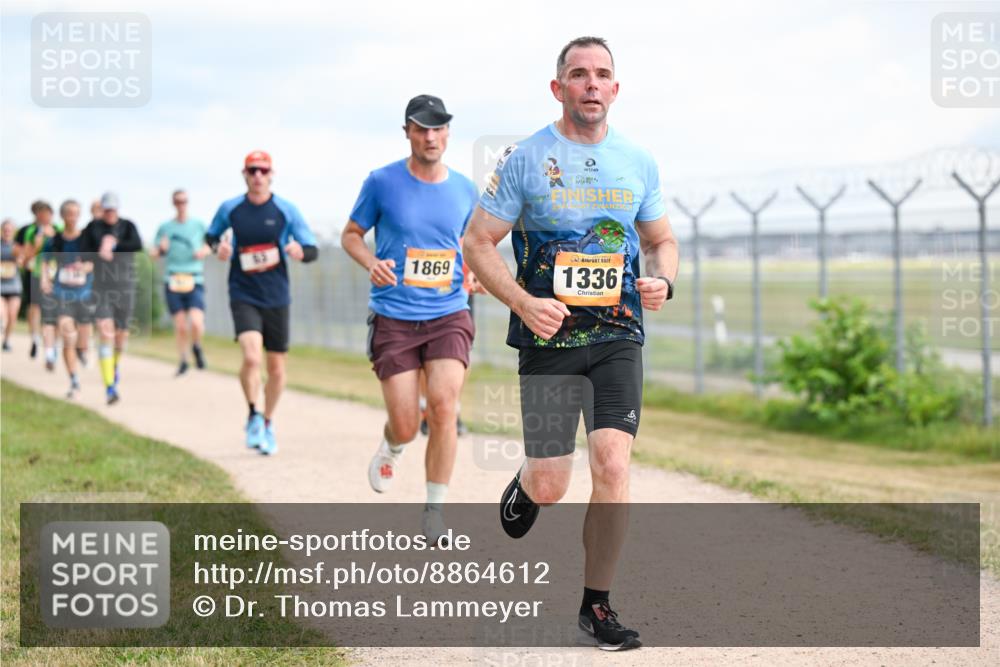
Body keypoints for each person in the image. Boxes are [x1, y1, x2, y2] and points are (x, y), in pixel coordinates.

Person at [463, 37, 679, 651]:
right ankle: (529, 481)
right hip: (549, 338)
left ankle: (597, 606)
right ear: (558, 88)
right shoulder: (526, 159)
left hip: (617, 335)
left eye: (602, 74)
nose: (591, 84)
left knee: (612, 463)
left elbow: (664, 239)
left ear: (615, 88)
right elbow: (478, 241)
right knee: (553, 484)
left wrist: (664, 278)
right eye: (578, 74)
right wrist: (524, 302)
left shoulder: (638, 160)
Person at [342, 95, 479, 544]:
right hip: (394, 317)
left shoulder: (463, 189)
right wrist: (370, 262)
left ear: (448, 133)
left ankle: (434, 509)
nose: (431, 136)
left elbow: (471, 243)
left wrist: (474, 270)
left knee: (443, 405)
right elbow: (351, 235)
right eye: (422, 128)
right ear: (408, 132)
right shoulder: (381, 182)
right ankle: (394, 443)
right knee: (405, 421)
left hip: (448, 313)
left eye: (438, 128)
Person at [206, 150, 319, 456]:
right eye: (252, 170)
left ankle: (268, 422)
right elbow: (211, 236)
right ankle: (253, 414)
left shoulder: (286, 210)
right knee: (252, 358)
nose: (257, 176)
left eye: (263, 171)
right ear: (244, 174)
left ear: (271, 175)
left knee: (277, 368)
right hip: (243, 292)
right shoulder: (230, 208)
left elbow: (312, 249)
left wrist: (300, 252)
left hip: (277, 295)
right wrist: (219, 249)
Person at [81, 192, 143, 404]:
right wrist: (98, 251)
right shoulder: (93, 228)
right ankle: (109, 387)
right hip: (101, 288)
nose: (109, 214)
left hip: (125, 286)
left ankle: (114, 366)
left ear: (118, 209)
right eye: (106, 210)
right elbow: (83, 252)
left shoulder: (128, 226)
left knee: (121, 337)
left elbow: (137, 245)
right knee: (105, 332)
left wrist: (115, 246)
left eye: (112, 210)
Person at [149, 189, 210, 375]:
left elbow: (210, 245)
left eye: (184, 201)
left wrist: (203, 251)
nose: (181, 204)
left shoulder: (198, 225)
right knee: (181, 325)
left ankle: (197, 347)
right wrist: (161, 249)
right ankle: (183, 359)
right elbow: (152, 253)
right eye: (177, 201)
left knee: (197, 321)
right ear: (173, 203)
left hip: (194, 278)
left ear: (188, 202)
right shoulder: (165, 227)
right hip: (173, 279)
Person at [40, 200, 96, 398]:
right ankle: (74, 379)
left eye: (76, 214)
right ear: (63, 216)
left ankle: (83, 351)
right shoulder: (55, 241)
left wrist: (84, 268)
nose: (73, 217)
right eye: (69, 214)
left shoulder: (86, 240)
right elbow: (45, 262)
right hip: (62, 294)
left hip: (84, 294)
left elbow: (94, 263)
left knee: (81, 339)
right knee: (67, 336)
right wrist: (45, 280)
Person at [14, 201, 62, 362]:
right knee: (35, 306)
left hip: (55, 274)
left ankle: (52, 343)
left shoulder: (58, 229)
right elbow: (26, 256)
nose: (44, 217)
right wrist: (38, 242)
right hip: (36, 273)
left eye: (47, 214)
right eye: (40, 214)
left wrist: (52, 237)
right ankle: (35, 337)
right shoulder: (31, 231)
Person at [1, 219, 23, 351]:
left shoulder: (17, 246)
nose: (7, 232)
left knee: (12, 315)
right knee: (1, 312)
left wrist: (19, 258)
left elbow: (22, 262)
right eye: (5, 229)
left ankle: (7, 340)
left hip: (14, 285)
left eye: (10, 230)